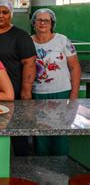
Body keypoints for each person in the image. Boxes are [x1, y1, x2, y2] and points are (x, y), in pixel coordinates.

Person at [0, 0, 36, 156]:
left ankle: (22, 166)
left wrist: (26, 90)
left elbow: (29, 64)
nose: (0, 16)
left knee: (18, 133)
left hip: (14, 93)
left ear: (10, 15)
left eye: (5, 12)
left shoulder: (20, 36)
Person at [31, 8, 81, 155]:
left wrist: (74, 93)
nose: (42, 23)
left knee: (61, 131)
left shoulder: (62, 40)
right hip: (38, 94)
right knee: (40, 133)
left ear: (52, 23)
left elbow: (75, 67)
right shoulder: (28, 41)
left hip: (61, 93)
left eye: (46, 20)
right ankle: (42, 168)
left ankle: (60, 167)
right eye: (39, 20)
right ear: (33, 23)